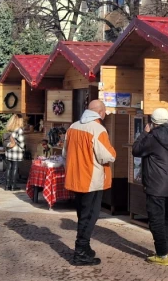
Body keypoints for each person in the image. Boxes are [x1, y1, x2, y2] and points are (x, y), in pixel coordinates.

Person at [64, 100, 116, 266]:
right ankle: (81, 252)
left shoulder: (73, 127)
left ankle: (84, 249)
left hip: (75, 177)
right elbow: (107, 156)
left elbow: (65, 152)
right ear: (100, 112)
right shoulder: (98, 129)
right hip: (91, 180)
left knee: (82, 214)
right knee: (89, 216)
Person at [132, 108, 168, 267]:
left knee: (156, 220)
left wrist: (144, 133)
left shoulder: (153, 136)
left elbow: (136, 150)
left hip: (156, 185)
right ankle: (166, 251)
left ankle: (162, 254)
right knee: (166, 219)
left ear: (153, 123)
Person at [3, 114, 26, 191]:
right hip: (16, 151)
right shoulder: (19, 129)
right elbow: (21, 141)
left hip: (9, 150)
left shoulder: (9, 128)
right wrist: (23, 148)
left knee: (9, 167)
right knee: (15, 168)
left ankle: (7, 185)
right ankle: (13, 186)